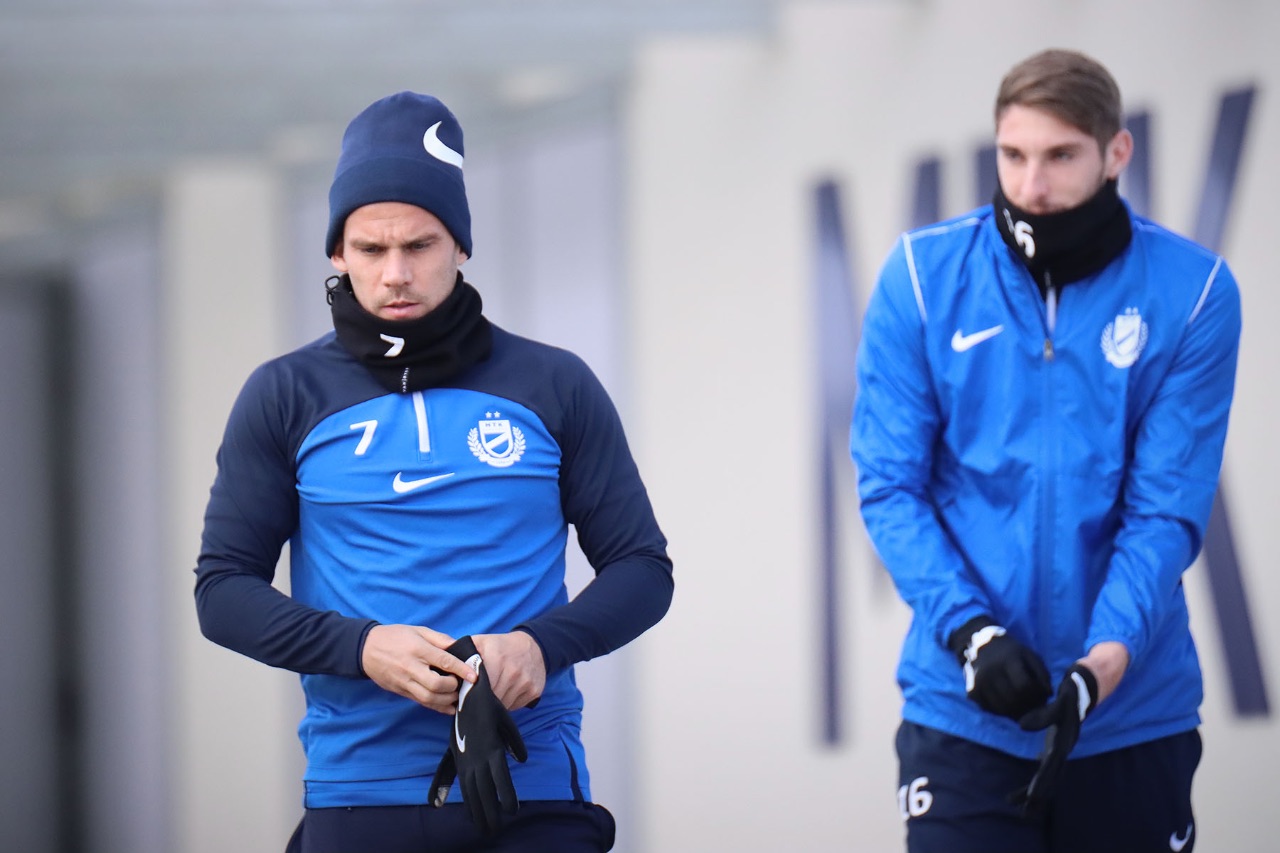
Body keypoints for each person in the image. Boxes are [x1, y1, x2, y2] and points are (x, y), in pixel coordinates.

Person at [193, 91, 673, 853]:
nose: (396, 274)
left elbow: (643, 569)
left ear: (460, 246)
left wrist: (540, 645)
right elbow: (222, 592)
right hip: (358, 794)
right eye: (370, 249)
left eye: (419, 245)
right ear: (337, 254)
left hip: (533, 786)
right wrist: (362, 647)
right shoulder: (284, 393)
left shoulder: (554, 382)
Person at [851, 49, 1240, 853]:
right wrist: (972, 634)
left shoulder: (1194, 292)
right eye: (1013, 155)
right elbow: (890, 486)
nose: (1032, 185)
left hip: (1130, 714)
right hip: (962, 713)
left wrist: (1104, 663)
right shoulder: (921, 278)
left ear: (1116, 152)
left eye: (1061, 156)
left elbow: (1164, 510)